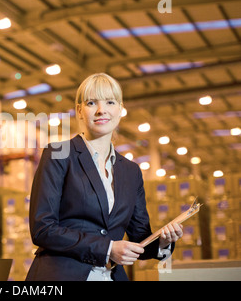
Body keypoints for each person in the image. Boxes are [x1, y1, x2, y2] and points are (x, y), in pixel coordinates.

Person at [26, 73, 183, 281]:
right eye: (92, 103)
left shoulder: (131, 171)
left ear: (120, 109)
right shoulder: (59, 154)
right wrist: (108, 248)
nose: (102, 110)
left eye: (110, 102)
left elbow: (139, 238)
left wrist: (163, 241)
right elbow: (43, 228)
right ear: (80, 111)